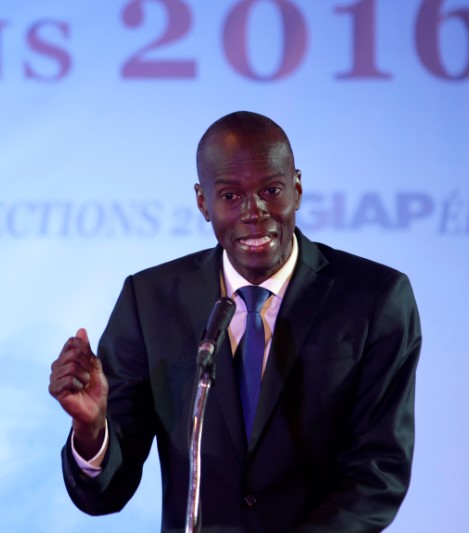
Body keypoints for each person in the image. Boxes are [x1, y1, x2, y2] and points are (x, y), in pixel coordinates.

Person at [48, 111, 422, 532]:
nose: (254, 212)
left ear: (297, 189)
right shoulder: (150, 301)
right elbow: (106, 494)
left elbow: (377, 474)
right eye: (230, 196)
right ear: (202, 202)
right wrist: (91, 429)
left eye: (271, 190)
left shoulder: (375, 299)